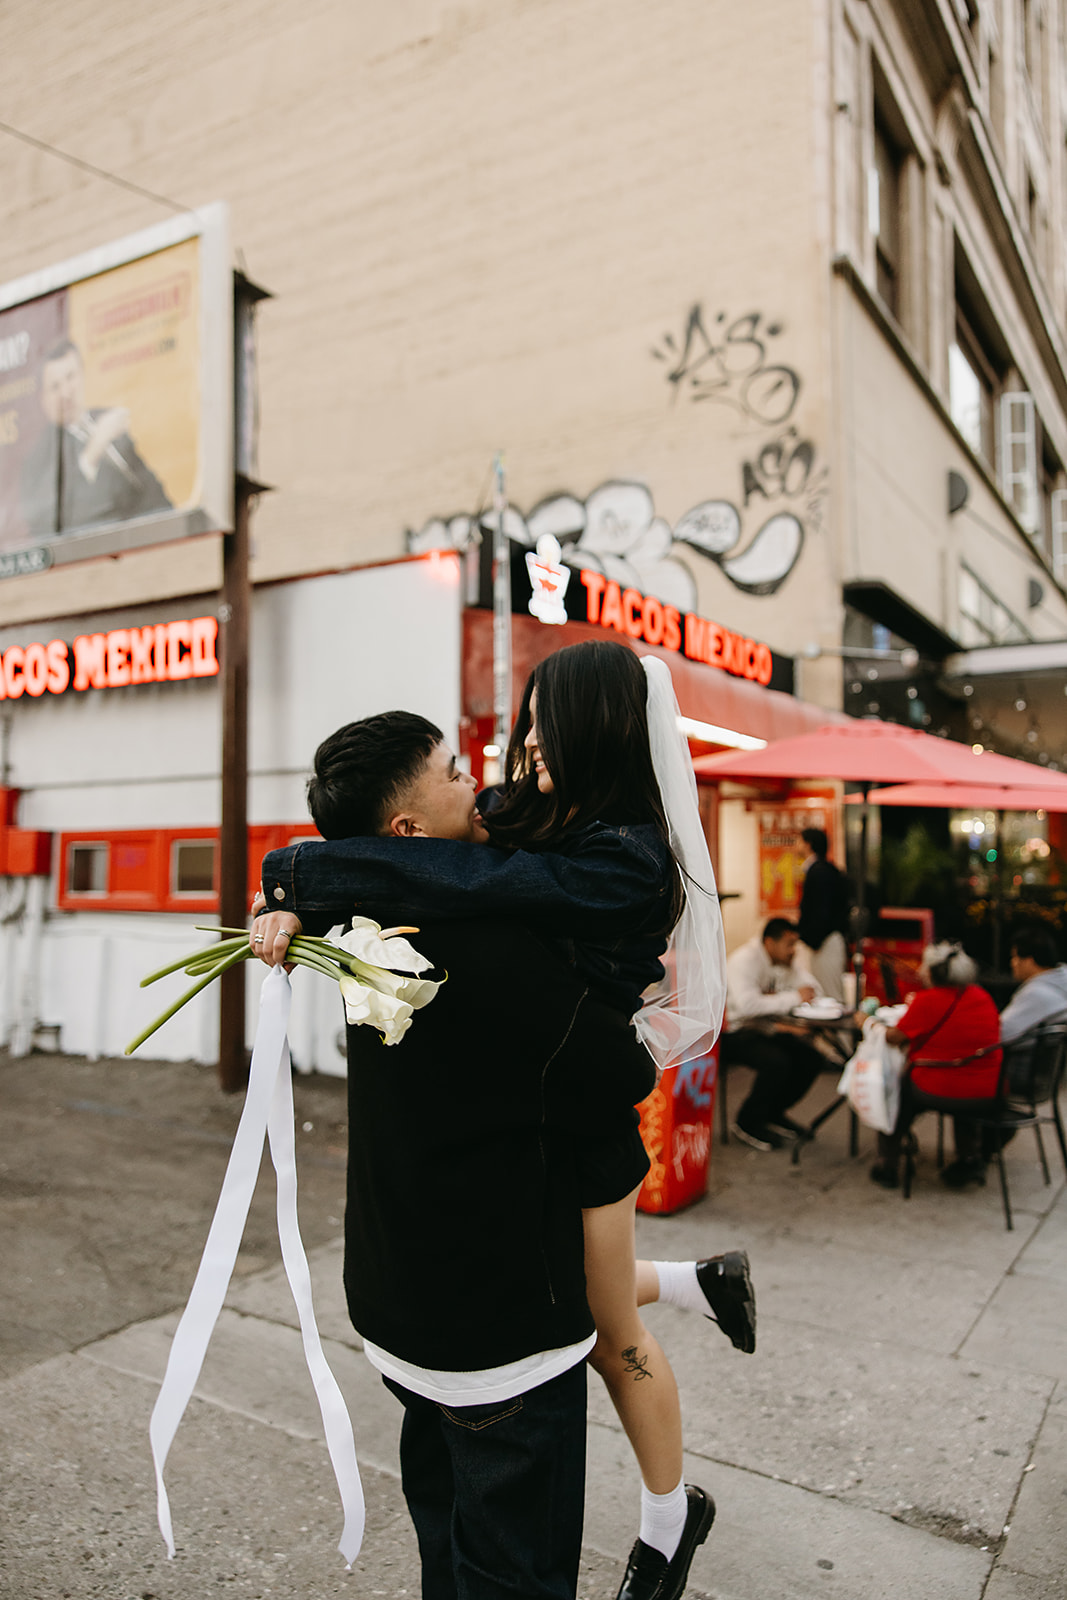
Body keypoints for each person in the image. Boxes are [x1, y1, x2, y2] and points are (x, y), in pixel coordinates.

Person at [253, 646, 742, 1600]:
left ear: (594, 734)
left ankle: (668, 1507)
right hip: (494, 1281)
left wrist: (302, 876)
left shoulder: (619, 864)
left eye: (536, 727)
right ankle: (684, 1357)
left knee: (596, 1350)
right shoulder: (489, 863)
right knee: (494, 1552)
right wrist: (291, 892)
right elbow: (435, 872)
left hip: (481, 1215)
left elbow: (475, 885)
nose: (502, 759)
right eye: (465, 763)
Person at [868, 942, 1001, 1191]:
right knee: (964, 1086)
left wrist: (868, 1023)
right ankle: (969, 1157)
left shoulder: (928, 1000)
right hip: (988, 1090)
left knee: (897, 1090)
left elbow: (894, 1037)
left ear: (932, 972)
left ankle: (887, 1164)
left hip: (940, 1088)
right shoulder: (981, 996)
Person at [20, 338, 171, 540]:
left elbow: (146, 483)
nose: (66, 392)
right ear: (44, 400)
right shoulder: (37, 459)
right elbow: (58, 522)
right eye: (55, 387)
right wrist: (94, 449)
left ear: (83, 376)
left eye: (70, 377)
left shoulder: (108, 418)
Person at [719, 917, 828, 1150]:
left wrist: (785, 997)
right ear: (769, 942)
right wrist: (792, 997)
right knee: (777, 1062)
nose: (793, 951)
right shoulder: (744, 961)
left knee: (811, 1058)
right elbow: (747, 1006)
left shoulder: (784, 962)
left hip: (762, 1029)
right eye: (789, 944)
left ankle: (772, 1113)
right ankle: (747, 1122)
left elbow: (812, 989)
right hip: (733, 1032)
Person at [796, 827, 851, 1003]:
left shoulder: (818, 872)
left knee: (830, 994)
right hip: (824, 940)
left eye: (799, 841)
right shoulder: (824, 869)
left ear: (808, 845)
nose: (795, 846)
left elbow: (822, 910)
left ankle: (839, 1031)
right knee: (825, 992)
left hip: (825, 942)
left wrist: (812, 938)